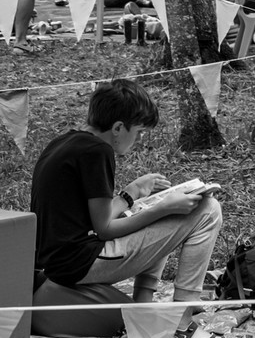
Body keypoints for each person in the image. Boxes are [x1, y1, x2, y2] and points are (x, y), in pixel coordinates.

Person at [30, 79, 222, 313]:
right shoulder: (97, 151)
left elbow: (94, 219)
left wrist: (131, 193)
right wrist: (162, 209)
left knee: (153, 210)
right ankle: (184, 311)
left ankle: (142, 305)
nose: (139, 140)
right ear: (118, 127)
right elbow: (105, 229)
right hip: (79, 264)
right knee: (208, 209)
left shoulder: (64, 142)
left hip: (58, 260)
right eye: (139, 132)